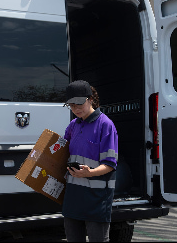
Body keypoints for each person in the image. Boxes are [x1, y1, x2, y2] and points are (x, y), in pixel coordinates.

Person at [62, 80, 118, 242]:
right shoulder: (73, 125)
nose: (76, 108)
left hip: (97, 198)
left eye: (79, 104)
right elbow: (62, 155)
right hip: (73, 196)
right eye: (71, 105)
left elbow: (110, 164)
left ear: (91, 99)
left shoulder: (105, 125)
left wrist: (90, 173)